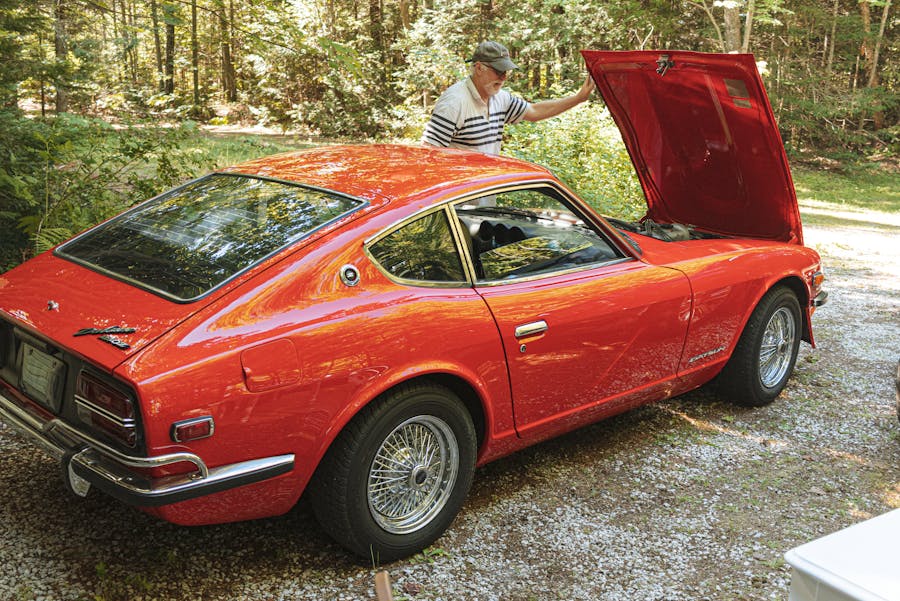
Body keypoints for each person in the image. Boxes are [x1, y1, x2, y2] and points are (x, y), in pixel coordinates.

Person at [422, 40, 594, 155]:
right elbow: (428, 152)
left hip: (485, 198)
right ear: (479, 67)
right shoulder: (454, 102)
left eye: (506, 71)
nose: (503, 77)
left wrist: (577, 98)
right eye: (498, 71)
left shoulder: (500, 99)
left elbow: (534, 111)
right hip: (457, 204)